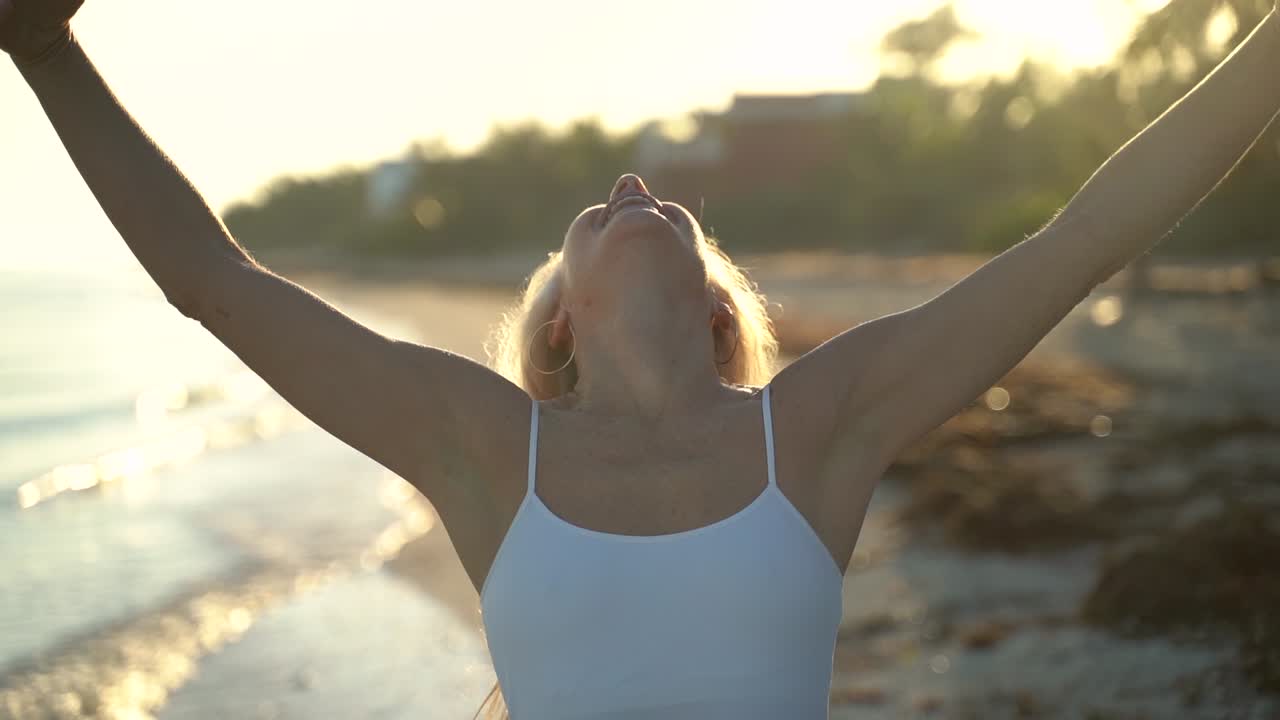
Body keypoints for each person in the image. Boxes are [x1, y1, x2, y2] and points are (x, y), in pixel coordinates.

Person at [5, 1, 1279, 717]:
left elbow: (1092, 230)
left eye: (665, 203)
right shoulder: (486, 449)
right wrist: (48, 53)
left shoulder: (818, 427)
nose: (630, 182)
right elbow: (216, 285)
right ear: (558, 319)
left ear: (720, 307)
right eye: (597, 207)